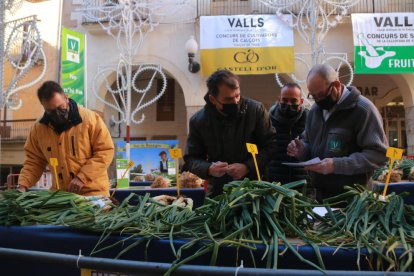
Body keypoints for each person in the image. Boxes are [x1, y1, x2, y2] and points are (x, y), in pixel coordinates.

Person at [287, 64, 388, 201]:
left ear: (336, 85)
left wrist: (336, 165)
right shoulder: (315, 111)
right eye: (313, 96)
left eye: (321, 95)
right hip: (320, 197)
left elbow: (378, 155)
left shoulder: (363, 110)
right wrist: (301, 150)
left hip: (354, 201)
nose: (318, 101)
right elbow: (309, 143)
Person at [184, 69, 277, 197]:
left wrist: (247, 166)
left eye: (237, 95)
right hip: (218, 191)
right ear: (212, 99)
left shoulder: (256, 111)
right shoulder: (199, 121)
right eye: (228, 100)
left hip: (254, 189)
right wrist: (209, 168)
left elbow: (271, 145)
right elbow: (191, 159)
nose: (235, 102)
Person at [17, 81, 115, 196]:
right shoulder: (38, 129)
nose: (58, 114)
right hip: (60, 195)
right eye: (51, 111)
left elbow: (105, 151)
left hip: (93, 193)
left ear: (66, 98)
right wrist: (22, 186)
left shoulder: (90, 119)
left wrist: (82, 177)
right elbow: (34, 161)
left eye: (60, 107)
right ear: (44, 108)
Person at [266, 83, 309, 185]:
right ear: (279, 99)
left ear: (301, 102)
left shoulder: (310, 119)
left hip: (303, 183)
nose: (289, 104)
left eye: (293, 101)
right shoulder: (268, 120)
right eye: (285, 100)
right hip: (275, 184)